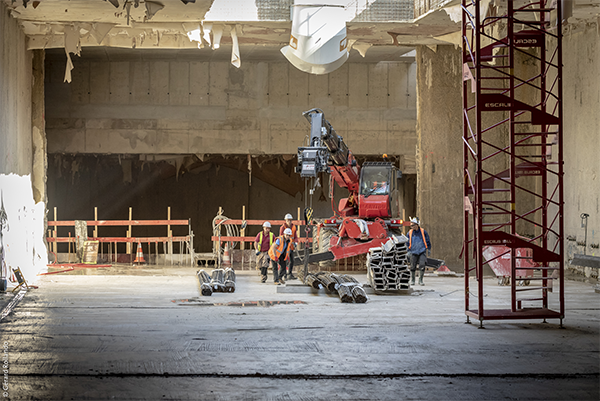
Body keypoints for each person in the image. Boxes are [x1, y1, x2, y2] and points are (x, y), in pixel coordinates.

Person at [408, 217, 431, 286]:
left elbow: (427, 240)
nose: (412, 226)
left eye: (413, 225)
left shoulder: (423, 232)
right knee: (412, 266)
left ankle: (420, 280)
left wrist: (429, 248)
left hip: (422, 251)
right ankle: (412, 280)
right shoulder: (410, 233)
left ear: (417, 225)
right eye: (411, 225)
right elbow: (407, 241)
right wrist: (408, 250)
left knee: (422, 265)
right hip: (413, 251)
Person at [279, 213, 299, 280]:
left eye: (290, 220)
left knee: (292, 260)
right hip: (285, 247)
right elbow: (281, 237)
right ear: (285, 220)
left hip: (291, 246)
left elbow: (295, 236)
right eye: (288, 220)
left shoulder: (294, 227)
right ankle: (284, 274)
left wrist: (296, 242)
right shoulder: (282, 228)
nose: (289, 221)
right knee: (285, 261)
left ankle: (289, 273)